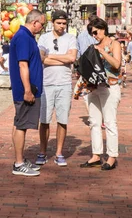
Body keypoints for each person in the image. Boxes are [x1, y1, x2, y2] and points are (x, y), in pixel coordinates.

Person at [36, 10, 77, 167]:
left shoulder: (71, 38)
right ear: (52, 22)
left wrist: (51, 56)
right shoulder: (44, 38)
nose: (61, 26)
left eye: (64, 23)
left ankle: (59, 152)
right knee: (44, 120)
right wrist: (63, 59)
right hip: (46, 83)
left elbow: (72, 58)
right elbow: (41, 58)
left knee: (62, 119)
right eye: (59, 23)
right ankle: (42, 151)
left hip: (65, 84)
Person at [80, 17, 122, 171]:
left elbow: (117, 64)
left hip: (110, 87)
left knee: (110, 122)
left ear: (103, 28)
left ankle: (112, 156)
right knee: (94, 122)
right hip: (93, 87)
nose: (94, 35)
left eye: (96, 32)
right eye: (92, 33)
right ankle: (96, 155)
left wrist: (102, 52)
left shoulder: (114, 44)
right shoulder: (93, 46)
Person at [9, 9, 46, 177]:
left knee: (20, 124)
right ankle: (18, 163)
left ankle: (20, 160)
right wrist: (27, 90)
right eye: (42, 24)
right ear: (34, 22)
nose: (42, 28)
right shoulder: (23, 37)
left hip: (30, 89)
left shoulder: (27, 37)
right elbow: (22, 65)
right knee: (21, 125)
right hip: (26, 90)